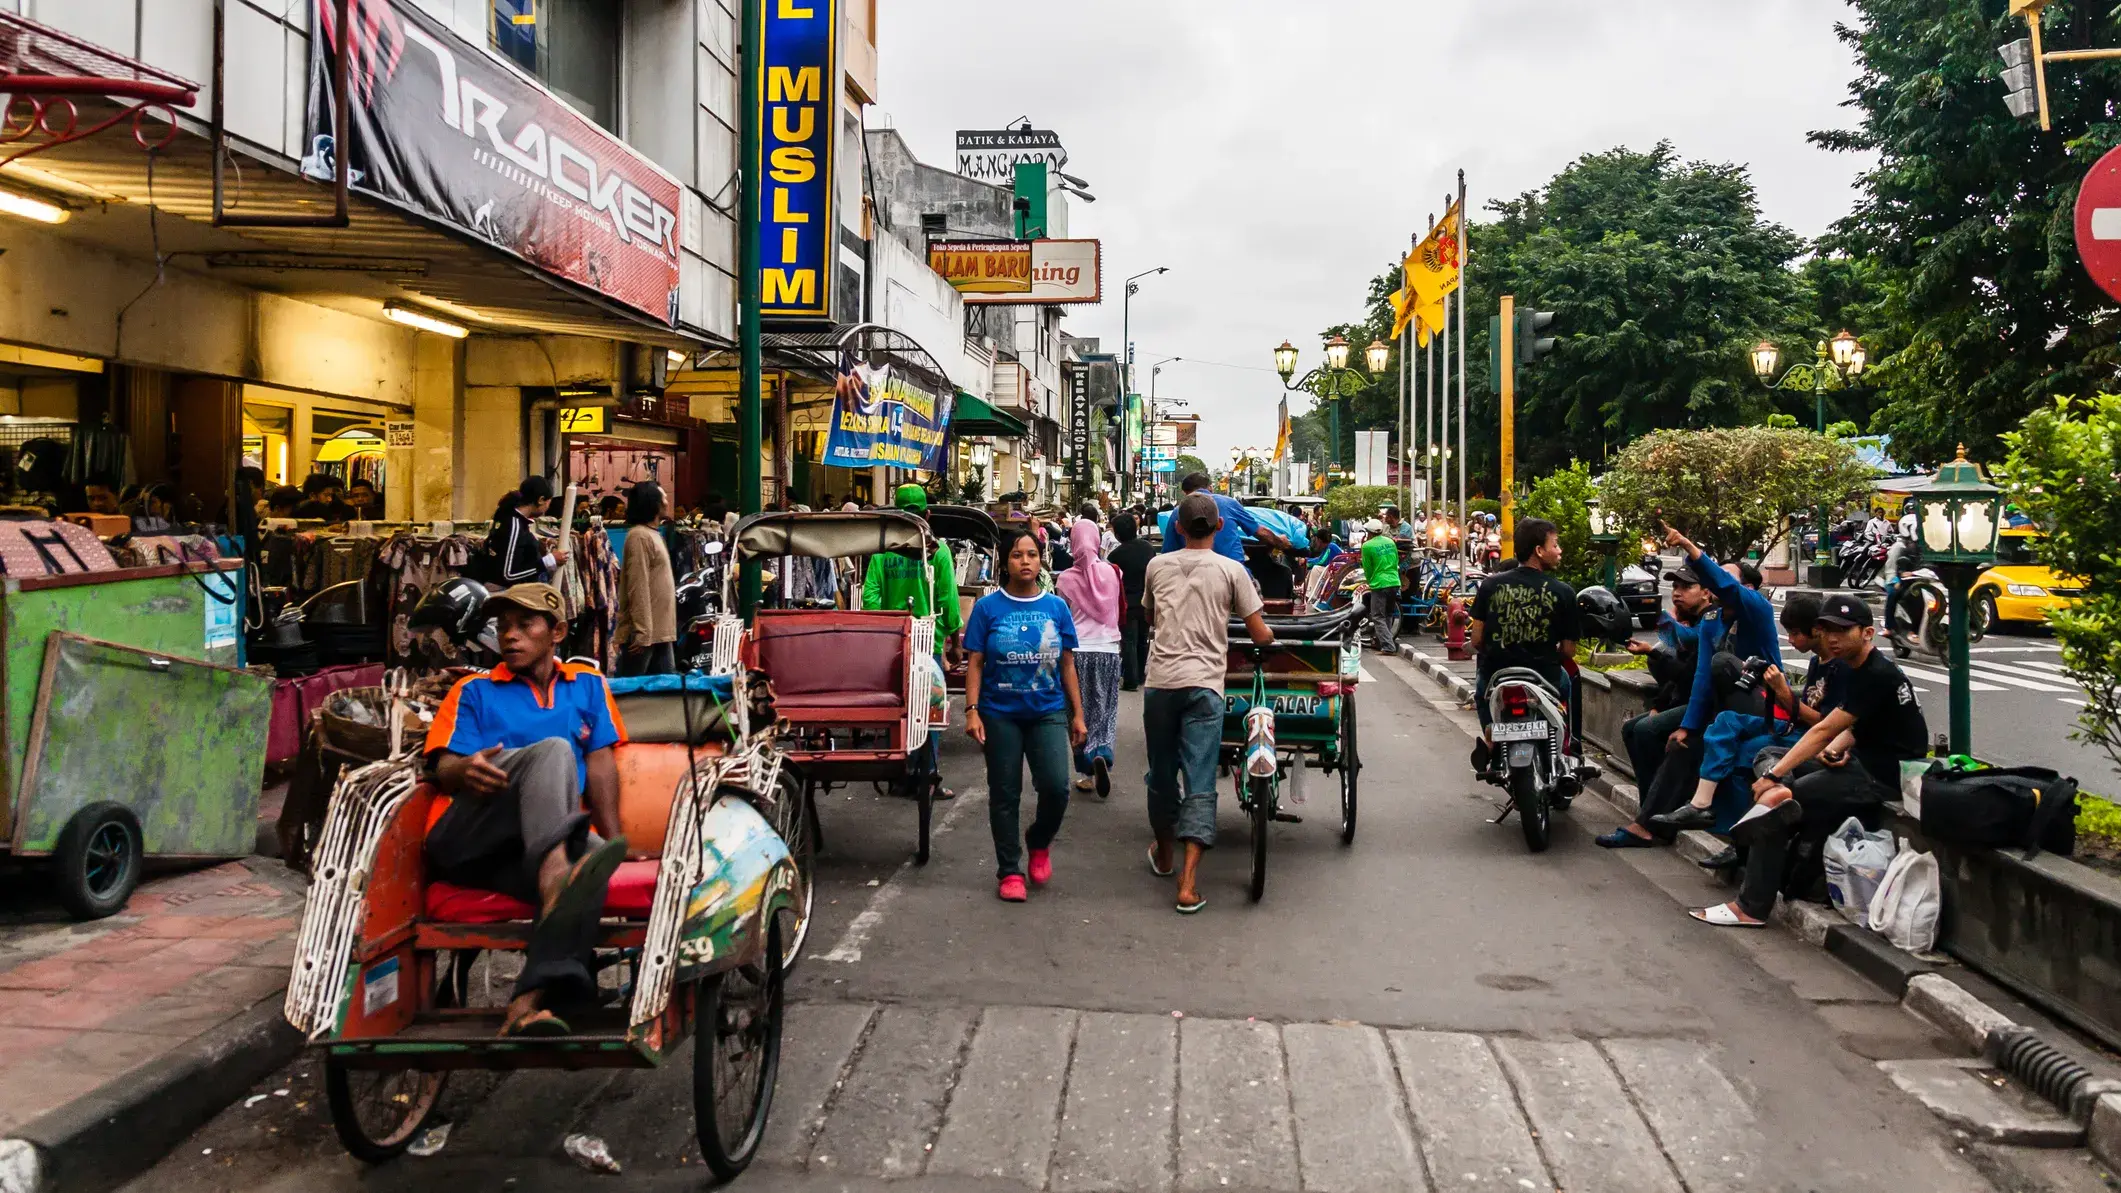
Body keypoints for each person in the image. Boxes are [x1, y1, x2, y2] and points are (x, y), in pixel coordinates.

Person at [423, 583, 629, 1035]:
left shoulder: (588, 686)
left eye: (524, 625)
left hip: (520, 853)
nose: (509, 636)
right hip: (470, 838)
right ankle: (555, 870)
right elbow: (440, 762)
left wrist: (616, 839)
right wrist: (462, 770)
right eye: (503, 627)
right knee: (552, 751)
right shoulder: (474, 690)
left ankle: (526, 1004)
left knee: (593, 860)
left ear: (556, 631)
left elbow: (600, 764)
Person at [1692, 594, 1928, 927]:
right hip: (1861, 759)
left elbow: (1823, 729)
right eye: (1828, 629)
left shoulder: (1878, 674)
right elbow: (1859, 725)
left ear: (1867, 634)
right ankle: (1780, 792)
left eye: (1844, 630)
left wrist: (1775, 776)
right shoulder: (1856, 667)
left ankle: (1751, 908)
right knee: (1768, 754)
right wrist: (1836, 748)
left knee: (1774, 804)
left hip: (1881, 777)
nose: (1833, 637)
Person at [1143, 493, 1275, 914]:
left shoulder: (1157, 566)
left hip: (1161, 683)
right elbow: (1258, 634)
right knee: (1200, 779)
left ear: (1178, 528)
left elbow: (1150, 617)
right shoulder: (1231, 569)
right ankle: (1188, 883)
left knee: (1162, 775)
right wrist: (1270, 640)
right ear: (1220, 528)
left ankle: (1164, 855)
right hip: (1205, 687)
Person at [963, 528, 1087, 903]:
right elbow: (976, 663)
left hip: (1047, 711)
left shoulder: (1056, 607)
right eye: (1017, 555)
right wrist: (971, 711)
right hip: (999, 713)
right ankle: (1010, 870)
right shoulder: (988, 608)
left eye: (1032, 554)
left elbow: (1067, 664)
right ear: (1005, 561)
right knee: (1005, 793)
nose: (1025, 562)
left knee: (1056, 787)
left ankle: (1038, 840)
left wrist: (1077, 714)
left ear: (1041, 559)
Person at [1653, 593, 1834, 835]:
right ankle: (1701, 803)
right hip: (1794, 726)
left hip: (1813, 739)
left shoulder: (1839, 668)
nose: (1790, 640)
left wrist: (1783, 692)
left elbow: (1826, 726)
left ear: (1816, 630)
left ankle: (1735, 834)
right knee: (1725, 721)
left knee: (1746, 753)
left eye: (1795, 634)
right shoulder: (1816, 663)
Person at [1594, 570, 1714, 848]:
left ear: (1706, 592)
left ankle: (1650, 821)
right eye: (1675, 587)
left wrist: (1653, 652)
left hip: (1706, 705)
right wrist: (1659, 704)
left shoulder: (1709, 624)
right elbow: (1674, 679)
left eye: (1687, 586)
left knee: (1648, 731)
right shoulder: (1689, 622)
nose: (1677, 592)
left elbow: (1692, 676)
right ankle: (1651, 809)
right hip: (1682, 699)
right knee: (1631, 729)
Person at [1468, 518, 1579, 751]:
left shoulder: (1490, 586)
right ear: (1539, 551)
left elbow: (1476, 640)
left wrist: (1501, 653)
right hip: (1545, 675)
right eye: (1555, 545)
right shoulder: (1564, 592)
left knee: (1481, 692)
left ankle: (1490, 736)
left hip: (1496, 673)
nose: (1560, 551)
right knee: (1568, 683)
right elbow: (1568, 651)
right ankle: (1569, 743)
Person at [1056, 518, 1122, 797]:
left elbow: (1064, 617)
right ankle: (1103, 750)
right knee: (1104, 707)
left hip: (1077, 653)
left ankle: (1084, 769)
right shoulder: (1113, 573)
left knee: (1076, 709)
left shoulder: (1065, 579)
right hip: (1108, 648)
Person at [614, 481, 678, 677]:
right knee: (630, 692)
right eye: (663, 498)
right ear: (654, 503)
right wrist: (642, 633)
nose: (667, 502)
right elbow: (637, 585)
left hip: (659, 632)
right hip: (645, 635)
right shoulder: (639, 536)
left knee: (666, 692)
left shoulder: (653, 534)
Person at [1159, 472, 1288, 562]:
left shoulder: (1178, 512)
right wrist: (1281, 542)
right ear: (1219, 524)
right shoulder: (1229, 503)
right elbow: (1259, 532)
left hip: (1190, 577)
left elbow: (1168, 552)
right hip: (1233, 573)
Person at [484, 477, 568, 585]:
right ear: (541, 500)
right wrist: (548, 561)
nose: (548, 507)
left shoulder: (511, 519)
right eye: (548, 503)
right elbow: (508, 574)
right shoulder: (514, 525)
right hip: (512, 595)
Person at [1109, 512, 1156, 691]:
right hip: (1146, 600)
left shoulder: (1115, 555)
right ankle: (1140, 676)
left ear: (1118, 533)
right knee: (1143, 639)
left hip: (1126, 602)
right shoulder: (1147, 548)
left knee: (1128, 641)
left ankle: (1130, 679)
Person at [1359, 517, 1401, 651]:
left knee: (1377, 616)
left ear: (1369, 533)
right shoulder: (1390, 542)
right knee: (1388, 614)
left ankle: (1388, 646)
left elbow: (1367, 568)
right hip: (1394, 581)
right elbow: (1396, 561)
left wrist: (1371, 582)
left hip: (1380, 583)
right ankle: (1383, 643)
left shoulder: (1367, 546)